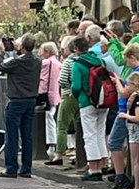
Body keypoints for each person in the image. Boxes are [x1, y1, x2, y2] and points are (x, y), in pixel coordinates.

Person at [0, 33, 42, 179]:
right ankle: (26, 168)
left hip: (16, 101)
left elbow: (0, 66)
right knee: (27, 135)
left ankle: (11, 168)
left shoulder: (16, 62)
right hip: (31, 100)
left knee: (12, 135)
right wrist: (18, 50)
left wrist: (2, 53)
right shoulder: (37, 61)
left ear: (22, 46)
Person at [70, 35, 107, 181]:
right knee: (100, 133)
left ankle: (93, 169)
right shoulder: (99, 60)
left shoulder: (77, 64)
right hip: (103, 100)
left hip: (87, 101)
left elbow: (76, 86)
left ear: (76, 49)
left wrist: (76, 96)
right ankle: (103, 164)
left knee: (89, 135)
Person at [118, 70, 139, 189]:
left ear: (136, 85)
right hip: (137, 129)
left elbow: (137, 117)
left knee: (136, 160)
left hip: (136, 129)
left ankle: (138, 187)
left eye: (129, 85)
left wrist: (125, 115)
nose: (127, 87)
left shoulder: (137, 100)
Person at [50, 36, 78, 166]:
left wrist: (67, 86)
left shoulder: (68, 61)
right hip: (83, 97)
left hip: (69, 95)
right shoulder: (86, 59)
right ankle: (80, 154)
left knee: (62, 125)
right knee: (80, 126)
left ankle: (59, 154)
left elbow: (61, 80)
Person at [38, 41, 61, 161]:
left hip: (46, 95)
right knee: (52, 118)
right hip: (55, 94)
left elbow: (42, 79)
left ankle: (51, 146)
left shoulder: (47, 63)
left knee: (49, 120)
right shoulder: (57, 62)